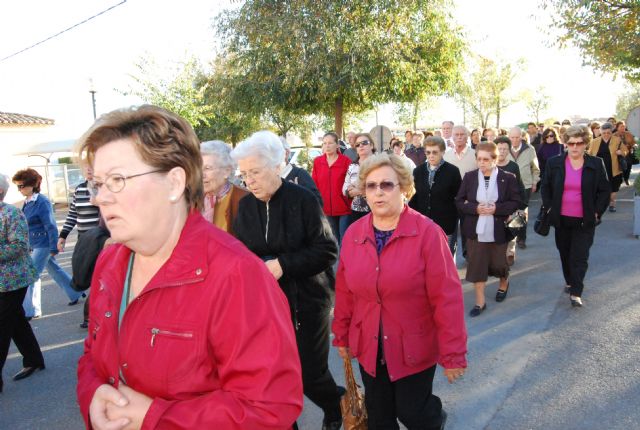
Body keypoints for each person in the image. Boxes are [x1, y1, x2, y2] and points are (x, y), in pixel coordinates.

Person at [76, 106, 303, 429]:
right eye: (96, 183)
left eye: (117, 180)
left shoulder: (236, 275)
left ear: (173, 183)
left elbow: (268, 408)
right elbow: (91, 355)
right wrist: (93, 393)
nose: (99, 198)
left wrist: (156, 418)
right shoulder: (110, 263)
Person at [332, 152, 467, 429]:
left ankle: (433, 418)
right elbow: (345, 291)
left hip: (412, 344)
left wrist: (453, 354)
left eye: (387, 185)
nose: (378, 192)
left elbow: (447, 299)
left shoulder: (428, 234)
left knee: (413, 413)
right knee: (379, 418)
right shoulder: (354, 235)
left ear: (404, 189)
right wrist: (342, 335)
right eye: (371, 186)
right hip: (368, 342)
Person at [231, 130, 344, 430]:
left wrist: (283, 265)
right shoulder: (245, 207)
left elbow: (327, 250)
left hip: (308, 300)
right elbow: (239, 253)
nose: (249, 181)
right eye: (244, 175)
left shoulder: (303, 200)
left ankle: (336, 407)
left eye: (254, 172)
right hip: (267, 306)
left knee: (310, 374)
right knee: (275, 374)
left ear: (275, 165)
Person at [541, 126, 610, 307]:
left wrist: (596, 211)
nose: (575, 147)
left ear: (585, 144)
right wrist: (549, 208)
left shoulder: (596, 163)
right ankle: (570, 281)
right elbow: (545, 187)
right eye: (571, 143)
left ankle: (576, 292)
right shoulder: (554, 163)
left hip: (585, 219)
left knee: (579, 256)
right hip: (561, 218)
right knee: (565, 253)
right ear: (565, 143)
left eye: (579, 143)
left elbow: (604, 190)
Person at [456, 142, 521, 317]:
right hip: (475, 230)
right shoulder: (469, 177)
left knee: (499, 263)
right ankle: (480, 302)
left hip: (499, 228)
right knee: (477, 265)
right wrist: (475, 209)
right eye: (479, 159)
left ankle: (503, 283)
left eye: (486, 159)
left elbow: (516, 201)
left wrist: (496, 209)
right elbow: (459, 201)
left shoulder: (508, 178)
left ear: (495, 159)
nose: (481, 163)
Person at [12, 168, 84, 319]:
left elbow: (50, 225)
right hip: (35, 243)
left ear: (32, 184)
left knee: (31, 275)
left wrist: (53, 247)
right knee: (54, 270)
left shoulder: (42, 201)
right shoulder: (27, 202)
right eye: (18, 186)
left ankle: (31, 310)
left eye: (22, 186)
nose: (20, 190)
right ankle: (75, 292)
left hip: (44, 244)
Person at [0, 173, 46, 393]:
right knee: (16, 321)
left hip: (13, 280)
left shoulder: (11, 213)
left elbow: (18, 245)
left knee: (3, 326)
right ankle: (34, 359)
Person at [57, 164, 101, 328]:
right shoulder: (80, 189)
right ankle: (93, 313)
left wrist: (99, 203)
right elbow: (72, 215)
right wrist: (63, 236)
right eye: (86, 167)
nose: (89, 169)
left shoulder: (104, 188)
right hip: (84, 242)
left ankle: (90, 315)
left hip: (101, 241)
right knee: (86, 277)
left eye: (92, 165)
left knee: (98, 277)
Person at [409, 136, 462, 256]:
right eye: (428, 152)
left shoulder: (452, 171)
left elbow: (458, 198)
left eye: (435, 152)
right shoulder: (418, 171)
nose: (431, 155)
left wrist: (454, 219)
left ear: (442, 152)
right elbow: (414, 197)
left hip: (445, 224)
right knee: (424, 257)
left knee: (445, 257)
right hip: (422, 224)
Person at [200, 140, 248, 235]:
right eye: (199, 168)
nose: (201, 175)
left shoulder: (245, 200)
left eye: (207, 168)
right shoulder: (194, 200)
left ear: (227, 171)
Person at [312, 131, 352, 246]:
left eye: (330, 143)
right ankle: (339, 263)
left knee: (344, 239)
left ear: (337, 145)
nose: (327, 146)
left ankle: (345, 263)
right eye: (324, 143)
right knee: (334, 240)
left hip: (344, 208)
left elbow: (350, 183)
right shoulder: (318, 162)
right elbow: (314, 185)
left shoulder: (346, 161)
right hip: (326, 209)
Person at [444, 126, 477, 259]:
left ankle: (468, 256)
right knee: (451, 231)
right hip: (450, 200)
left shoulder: (475, 154)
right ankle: (450, 258)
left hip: (469, 200)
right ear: (452, 137)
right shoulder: (446, 156)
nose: (458, 137)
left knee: (467, 229)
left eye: (462, 134)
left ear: (467, 136)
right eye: (456, 135)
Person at [495, 137, 526, 266]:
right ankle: (498, 255)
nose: (502, 151)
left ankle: (510, 253)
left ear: (509, 150)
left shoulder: (513, 166)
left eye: (505, 149)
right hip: (496, 205)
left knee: (512, 230)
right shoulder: (490, 166)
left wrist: (522, 206)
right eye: (499, 149)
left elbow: (520, 186)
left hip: (512, 204)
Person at [507, 127, 540, 249]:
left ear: (521, 137)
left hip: (525, 185)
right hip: (508, 185)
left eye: (517, 137)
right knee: (510, 210)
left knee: (522, 211)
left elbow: (535, 168)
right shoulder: (505, 149)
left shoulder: (529, 149)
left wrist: (535, 182)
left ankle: (521, 237)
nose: (514, 140)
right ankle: (511, 237)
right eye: (512, 137)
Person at [587, 122, 627, 212]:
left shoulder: (617, 140)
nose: (606, 135)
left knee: (614, 187)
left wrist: (621, 152)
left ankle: (612, 204)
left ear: (611, 132)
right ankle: (600, 203)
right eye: (604, 133)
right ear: (601, 132)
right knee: (599, 187)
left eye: (608, 133)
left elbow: (625, 151)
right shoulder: (595, 141)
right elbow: (589, 154)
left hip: (614, 168)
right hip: (599, 168)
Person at [343, 133, 376, 224]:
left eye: (364, 143)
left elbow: (383, 185)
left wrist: (360, 191)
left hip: (376, 209)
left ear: (372, 145)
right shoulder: (352, 166)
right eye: (357, 145)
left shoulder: (380, 164)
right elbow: (345, 188)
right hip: (356, 212)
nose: (361, 146)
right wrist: (349, 193)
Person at [280, 138, 323, 203]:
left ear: (286, 153)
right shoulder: (266, 177)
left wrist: (299, 194)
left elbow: (318, 202)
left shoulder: (301, 175)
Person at [614, 121, 636, 186]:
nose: (623, 128)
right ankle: (620, 179)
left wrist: (634, 146)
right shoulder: (614, 136)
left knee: (628, 166)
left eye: (624, 126)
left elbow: (633, 142)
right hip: (619, 154)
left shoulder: (629, 134)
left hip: (628, 153)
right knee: (622, 167)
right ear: (617, 127)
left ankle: (626, 178)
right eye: (621, 126)